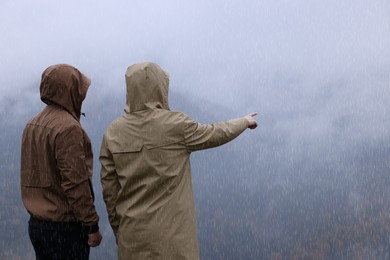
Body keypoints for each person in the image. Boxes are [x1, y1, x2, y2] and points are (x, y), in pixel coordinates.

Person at [99, 62, 257, 260]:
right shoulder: (175, 125)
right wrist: (243, 122)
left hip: (133, 237)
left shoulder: (113, 132)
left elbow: (109, 190)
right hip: (173, 238)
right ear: (160, 87)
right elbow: (215, 133)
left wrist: (119, 229)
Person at [20, 64, 102, 259]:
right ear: (70, 90)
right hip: (64, 230)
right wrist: (91, 225)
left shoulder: (32, 124)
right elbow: (75, 182)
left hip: (37, 225)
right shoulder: (68, 129)